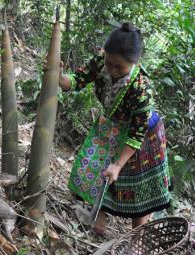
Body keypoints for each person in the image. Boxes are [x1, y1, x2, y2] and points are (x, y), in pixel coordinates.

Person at [60, 22, 172, 234]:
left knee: (136, 189)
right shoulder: (102, 62)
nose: (111, 70)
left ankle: (137, 240)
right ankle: (98, 225)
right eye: (109, 63)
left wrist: (119, 164)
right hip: (110, 128)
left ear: (134, 62)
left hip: (142, 137)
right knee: (91, 170)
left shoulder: (141, 87)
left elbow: (137, 132)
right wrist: (59, 77)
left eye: (119, 67)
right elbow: (77, 80)